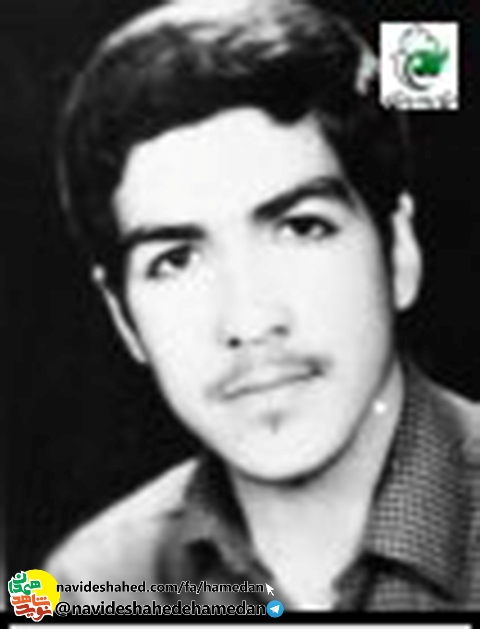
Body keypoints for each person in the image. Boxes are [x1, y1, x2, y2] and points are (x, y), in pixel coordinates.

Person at [44, 0, 479, 611]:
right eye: (176, 260)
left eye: (301, 227)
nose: (249, 320)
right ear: (124, 320)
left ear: (398, 252)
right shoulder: (83, 585)